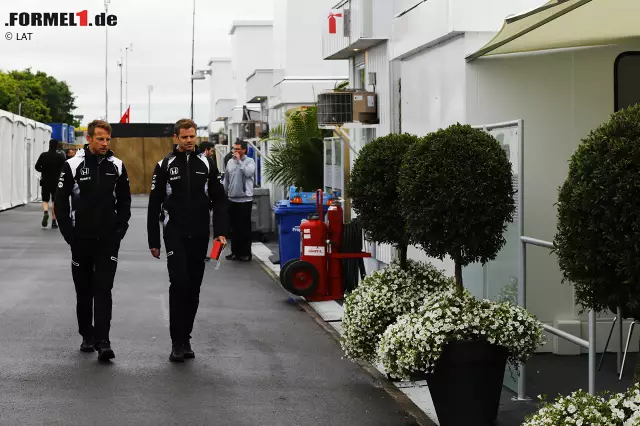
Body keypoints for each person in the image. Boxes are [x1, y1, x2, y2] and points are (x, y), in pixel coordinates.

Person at [147, 118, 228, 363]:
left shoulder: (207, 163)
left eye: (192, 136)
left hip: (200, 234)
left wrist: (221, 231)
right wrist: (154, 240)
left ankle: (186, 337)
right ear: (176, 138)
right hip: (175, 234)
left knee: (193, 288)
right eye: (184, 137)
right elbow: (154, 205)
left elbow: (219, 200)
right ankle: (176, 342)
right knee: (179, 283)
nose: (189, 140)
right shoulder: (164, 165)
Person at [55, 120, 131, 362]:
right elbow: (61, 203)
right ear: (88, 138)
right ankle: (86, 335)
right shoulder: (72, 165)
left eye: (107, 139)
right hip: (81, 239)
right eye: (100, 139)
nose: (104, 143)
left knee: (104, 289)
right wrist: (70, 236)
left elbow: (125, 202)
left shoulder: (117, 165)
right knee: (84, 291)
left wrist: (119, 231)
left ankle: (103, 341)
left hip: (108, 240)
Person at [224, 140, 255, 262]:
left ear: (244, 150)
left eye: (237, 149)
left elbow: (248, 173)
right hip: (232, 199)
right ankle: (235, 252)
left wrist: (240, 162)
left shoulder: (250, 161)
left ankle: (246, 253)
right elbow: (227, 178)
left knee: (244, 228)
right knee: (234, 228)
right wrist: (225, 192)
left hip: (245, 200)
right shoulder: (230, 162)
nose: (235, 151)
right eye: (234, 149)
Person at [35, 139, 66, 229]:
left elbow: (37, 167)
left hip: (45, 181)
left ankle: (45, 212)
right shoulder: (60, 156)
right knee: (54, 201)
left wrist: (43, 170)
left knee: (45, 200)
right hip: (56, 182)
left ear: (49, 145)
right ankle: (54, 221)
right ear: (56, 146)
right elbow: (64, 168)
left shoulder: (43, 155)